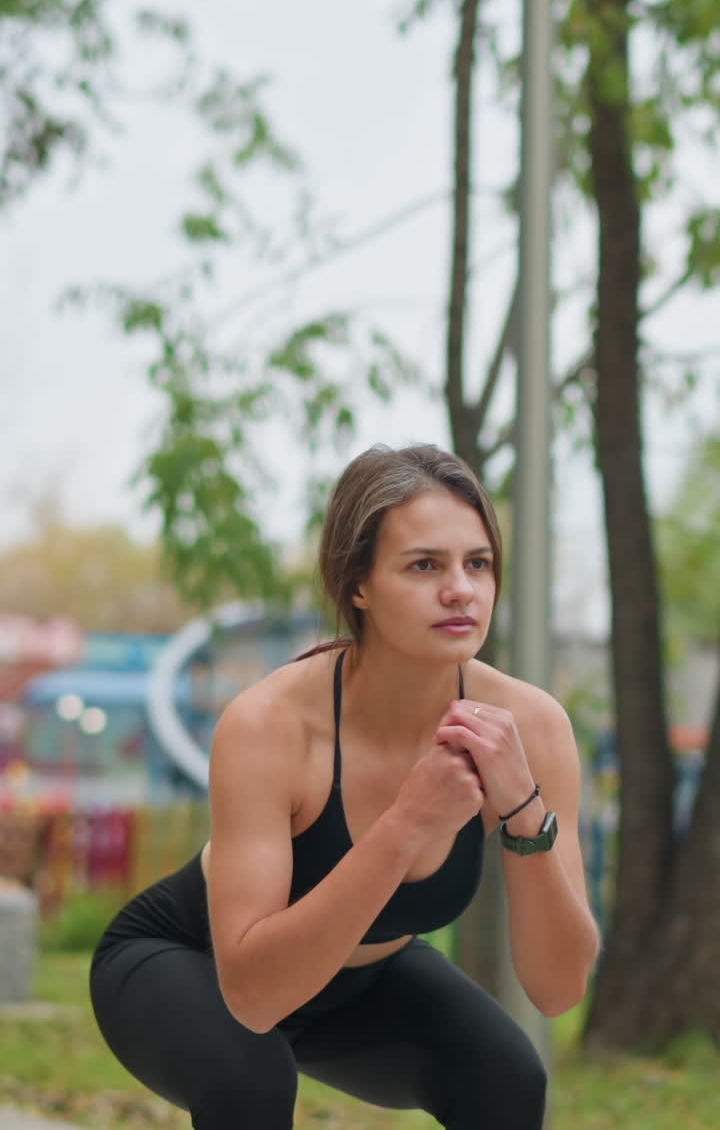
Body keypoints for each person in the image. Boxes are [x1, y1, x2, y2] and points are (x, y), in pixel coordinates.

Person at [90, 443, 600, 1130]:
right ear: (356, 583)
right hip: (190, 960)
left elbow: (558, 987)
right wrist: (408, 824)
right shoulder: (270, 725)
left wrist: (522, 809)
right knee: (250, 1080)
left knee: (505, 1077)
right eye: (425, 565)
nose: (462, 589)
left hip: (360, 979)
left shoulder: (530, 728)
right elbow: (255, 996)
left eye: (477, 563)